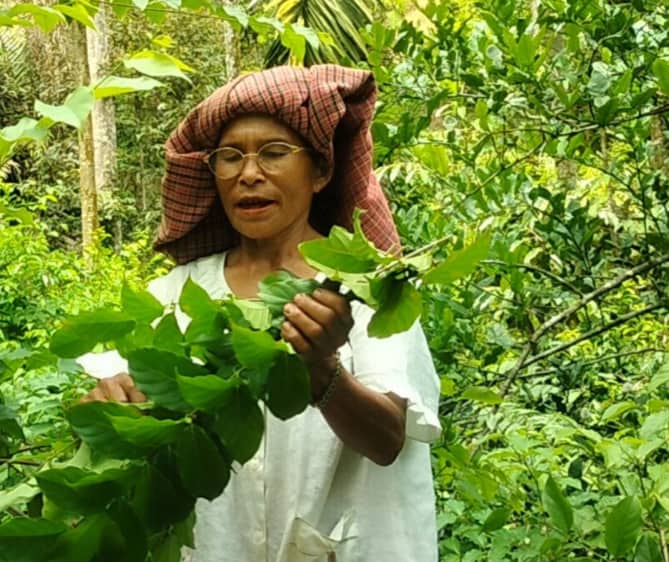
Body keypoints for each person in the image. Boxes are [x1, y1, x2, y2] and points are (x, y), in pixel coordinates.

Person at [80, 65, 441, 562]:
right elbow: (96, 410)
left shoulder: (367, 286)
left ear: (320, 172)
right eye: (230, 158)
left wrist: (321, 372)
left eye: (273, 153)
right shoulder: (177, 294)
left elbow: (386, 439)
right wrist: (105, 405)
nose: (248, 174)